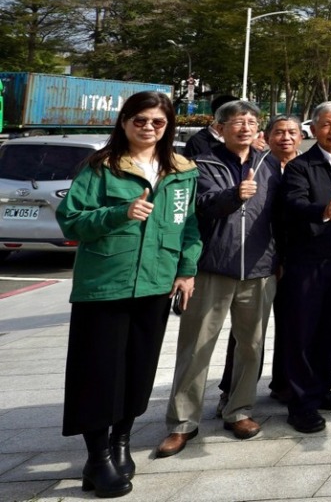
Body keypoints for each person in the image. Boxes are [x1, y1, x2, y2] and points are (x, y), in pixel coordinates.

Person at [58, 92, 199, 498]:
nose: (149, 128)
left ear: (168, 126)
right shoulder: (100, 168)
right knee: (98, 373)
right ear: (124, 122)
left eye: (158, 122)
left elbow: (188, 226)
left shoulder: (181, 171)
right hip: (104, 285)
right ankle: (97, 457)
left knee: (138, 369)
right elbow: (71, 221)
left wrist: (186, 271)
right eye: (140, 120)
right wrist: (119, 213)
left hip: (155, 284)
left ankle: (121, 441)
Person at [159, 100, 279, 457]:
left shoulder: (268, 163)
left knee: (251, 345)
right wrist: (234, 195)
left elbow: (278, 215)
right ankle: (182, 423)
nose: (245, 128)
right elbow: (204, 206)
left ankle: (239, 410)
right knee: (196, 346)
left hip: (259, 269)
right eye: (238, 122)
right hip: (214, 267)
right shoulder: (203, 164)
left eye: (252, 122)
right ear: (221, 127)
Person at [278, 102, 331, 434]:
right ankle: (300, 404)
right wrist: (323, 211)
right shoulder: (301, 166)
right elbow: (292, 204)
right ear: (313, 130)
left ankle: (322, 389)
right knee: (302, 334)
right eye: (327, 125)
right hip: (308, 261)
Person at [213, 113, 301, 418]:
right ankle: (230, 391)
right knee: (246, 332)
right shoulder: (257, 167)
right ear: (267, 135)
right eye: (279, 132)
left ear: (301, 137)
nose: (286, 138)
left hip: (293, 261)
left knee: (291, 326)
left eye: (292, 132)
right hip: (255, 261)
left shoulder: (303, 166)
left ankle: (285, 383)